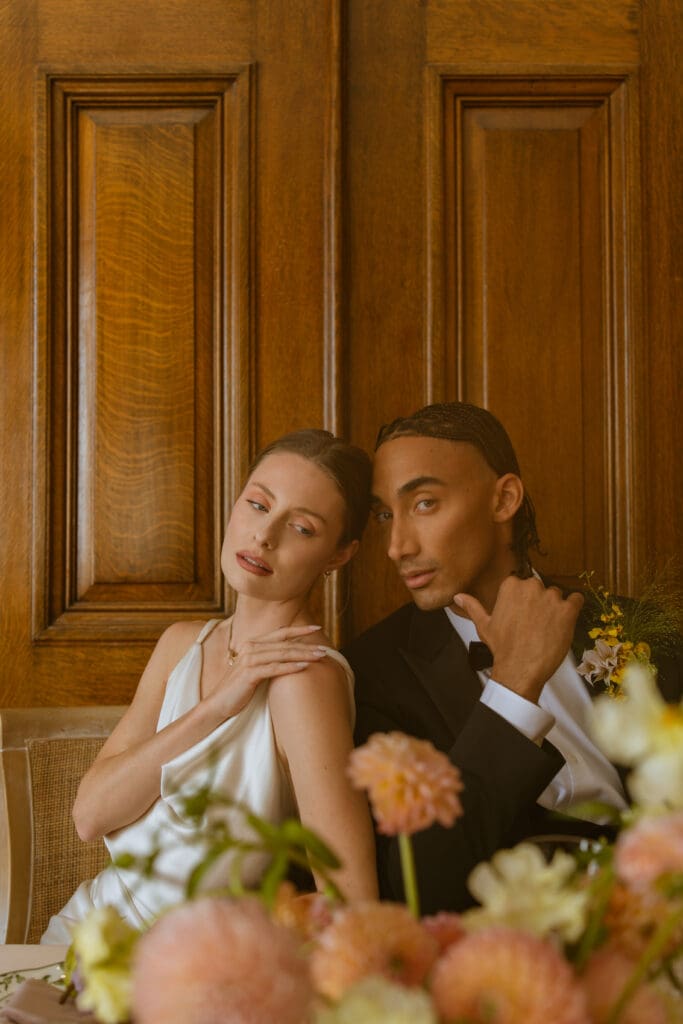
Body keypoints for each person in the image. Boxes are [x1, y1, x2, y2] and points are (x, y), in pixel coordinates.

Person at [344, 402, 682, 914]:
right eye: (386, 515)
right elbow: (419, 888)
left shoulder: (642, 631)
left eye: (426, 503)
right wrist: (512, 688)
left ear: (503, 499)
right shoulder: (370, 675)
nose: (396, 545)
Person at [42, 429, 378, 943]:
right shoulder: (181, 644)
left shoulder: (305, 680)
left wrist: (210, 960)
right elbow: (89, 816)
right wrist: (216, 707)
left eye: (303, 528)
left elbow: (350, 903)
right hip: (83, 930)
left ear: (339, 555)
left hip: (184, 970)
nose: (264, 536)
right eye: (258, 504)